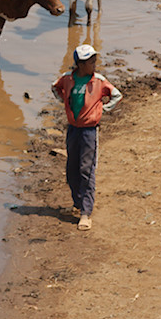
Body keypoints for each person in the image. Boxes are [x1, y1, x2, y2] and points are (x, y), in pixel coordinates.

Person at [51, 44, 123, 230]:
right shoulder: (68, 79)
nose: (94, 64)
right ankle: (77, 203)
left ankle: (85, 213)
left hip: (89, 131)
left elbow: (116, 95)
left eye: (94, 60)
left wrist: (102, 110)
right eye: (90, 61)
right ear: (80, 64)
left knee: (86, 170)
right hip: (73, 129)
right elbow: (55, 88)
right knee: (71, 169)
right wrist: (64, 103)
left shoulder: (98, 80)